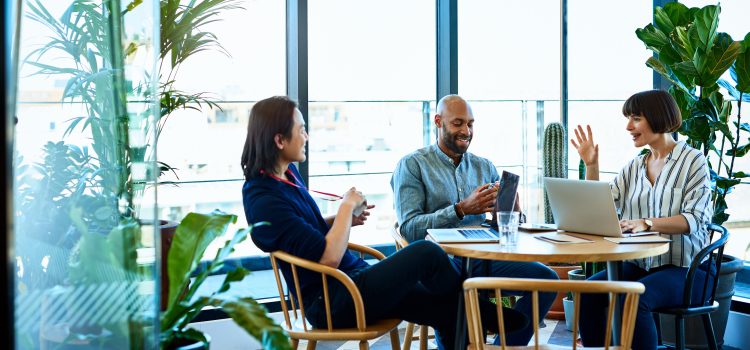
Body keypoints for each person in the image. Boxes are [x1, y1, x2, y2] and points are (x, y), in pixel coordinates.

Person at [241, 96, 527, 349]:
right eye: (302, 129)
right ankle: (484, 313)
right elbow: (327, 259)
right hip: (333, 301)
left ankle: (479, 314)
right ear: (280, 140)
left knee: (446, 308)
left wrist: (344, 220)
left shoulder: (287, 177)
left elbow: (305, 230)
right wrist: (344, 209)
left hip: (353, 281)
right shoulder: (263, 197)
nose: (307, 137)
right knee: (426, 252)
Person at [391, 94, 558, 346]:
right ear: (438, 121)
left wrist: (512, 213)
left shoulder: (484, 166)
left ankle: (506, 345)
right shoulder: (413, 165)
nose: (466, 131)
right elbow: (410, 229)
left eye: (470, 124)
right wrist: (460, 209)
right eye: (458, 123)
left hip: (483, 259)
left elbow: (502, 228)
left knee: (547, 280)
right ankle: (467, 327)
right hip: (440, 264)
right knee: (454, 288)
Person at [571, 89, 714, 350]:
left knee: (634, 299)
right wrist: (591, 165)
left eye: (636, 118)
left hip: (688, 270)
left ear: (658, 118)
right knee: (587, 292)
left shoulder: (694, 162)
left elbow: (694, 219)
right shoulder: (635, 166)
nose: (628, 126)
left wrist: (647, 222)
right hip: (642, 266)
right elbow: (600, 207)